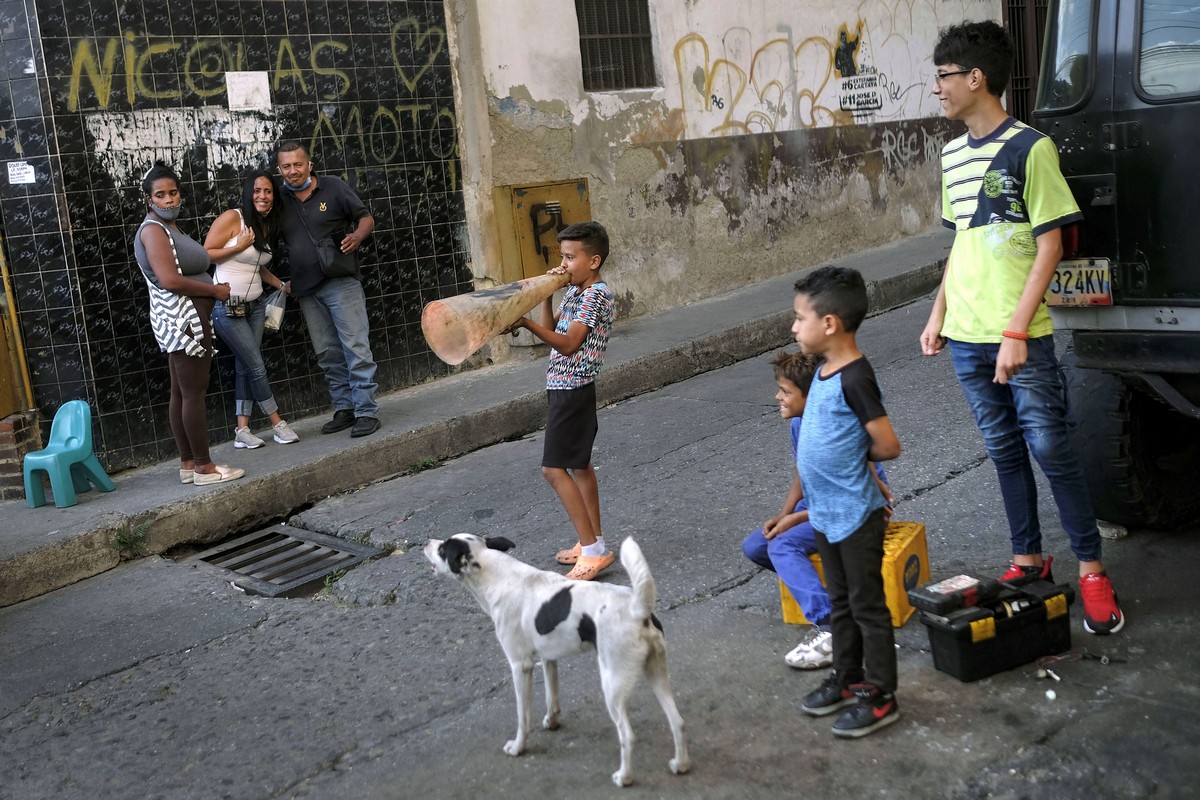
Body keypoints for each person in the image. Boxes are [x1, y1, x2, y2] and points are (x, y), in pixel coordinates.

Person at [920, 20, 1124, 635]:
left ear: (974, 78)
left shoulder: (1031, 147)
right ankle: (1027, 557)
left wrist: (1014, 332)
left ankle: (1091, 570)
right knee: (1003, 449)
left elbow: (1051, 245)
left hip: (1021, 336)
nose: (938, 89)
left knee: (1052, 450)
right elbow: (961, 246)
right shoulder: (952, 156)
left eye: (944, 77)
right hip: (967, 337)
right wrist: (938, 315)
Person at [790, 265, 902, 739]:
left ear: (830, 323)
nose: (795, 327)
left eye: (800, 318)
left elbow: (887, 444)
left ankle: (880, 694)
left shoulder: (856, 377)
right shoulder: (823, 371)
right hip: (827, 511)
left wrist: (856, 458)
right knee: (841, 601)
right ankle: (848, 677)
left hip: (856, 512)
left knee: (866, 605)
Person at [742, 350, 892, 670]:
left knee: (783, 544)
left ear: (811, 395)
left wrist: (794, 520)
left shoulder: (831, 427)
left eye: (785, 391)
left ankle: (830, 625)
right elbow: (803, 471)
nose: (777, 397)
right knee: (755, 546)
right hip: (819, 504)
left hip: (851, 508)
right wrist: (785, 514)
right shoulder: (800, 421)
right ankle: (832, 602)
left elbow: (846, 494)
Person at [505, 222, 615, 581]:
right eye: (562, 257)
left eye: (571, 257)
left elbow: (568, 344)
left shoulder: (596, 295)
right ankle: (592, 543)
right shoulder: (576, 291)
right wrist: (548, 293)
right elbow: (553, 328)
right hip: (564, 387)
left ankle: (594, 551)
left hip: (573, 389)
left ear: (594, 260)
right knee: (579, 466)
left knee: (553, 469)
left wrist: (525, 322)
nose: (563, 264)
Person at [133, 163, 244, 486]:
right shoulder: (153, 230)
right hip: (185, 320)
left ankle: (188, 464)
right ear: (148, 200)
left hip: (184, 320)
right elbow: (169, 279)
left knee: (181, 393)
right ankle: (204, 467)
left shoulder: (169, 228)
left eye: (173, 193)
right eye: (160, 195)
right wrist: (215, 291)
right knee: (193, 394)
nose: (169, 200)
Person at [274, 141, 381, 438]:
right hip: (307, 289)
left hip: (341, 282)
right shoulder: (279, 199)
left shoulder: (333, 187)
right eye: (286, 166)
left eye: (298, 164)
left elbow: (366, 217)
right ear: (279, 170)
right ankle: (344, 408)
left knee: (355, 347)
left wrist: (357, 237)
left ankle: (366, 411)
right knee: (327, 353)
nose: (293, 171)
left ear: (309, 165)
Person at [205, 170, 300, 449]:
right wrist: (241, 245)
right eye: (257, 191)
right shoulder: (233, 218)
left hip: (257, 306)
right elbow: (206, 252)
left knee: (246, 365)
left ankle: (242, 431)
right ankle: (277, 423)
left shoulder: (267, 224)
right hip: (227, 307)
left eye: (268, 191)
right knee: (256, 365)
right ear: (249, 193)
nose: (262, 196)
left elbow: (256, 265)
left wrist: (280, 284)